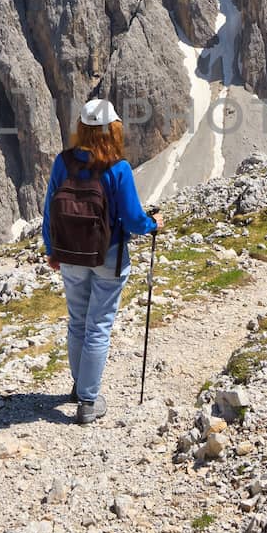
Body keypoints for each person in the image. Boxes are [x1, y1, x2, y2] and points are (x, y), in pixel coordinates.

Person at [42, 98, 162, 424]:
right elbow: (134, 220)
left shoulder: (63, 162)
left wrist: (52, 249)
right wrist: (154, 224)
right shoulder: (117, 168)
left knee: (77, 321)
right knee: (98, 327)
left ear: (82, 127)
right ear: (113, 129)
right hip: (108, 255)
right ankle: (88, 402)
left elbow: (49, 209)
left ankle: (78, 386)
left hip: (69, 254)